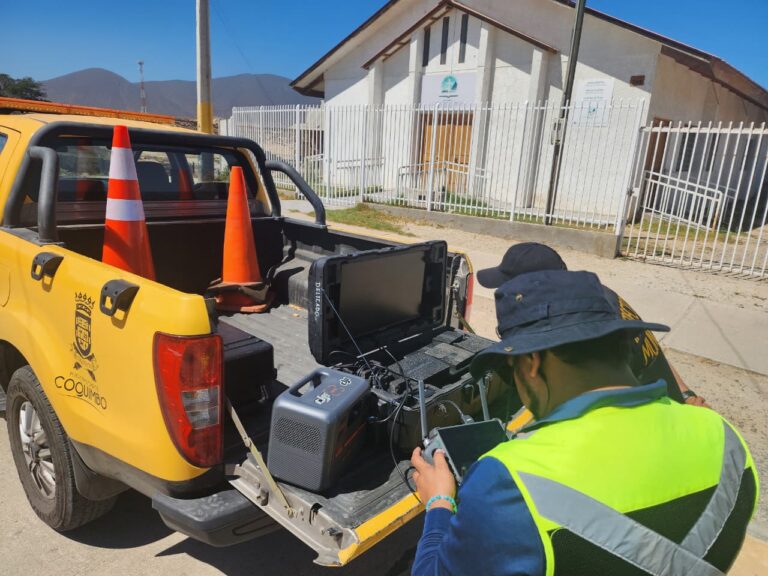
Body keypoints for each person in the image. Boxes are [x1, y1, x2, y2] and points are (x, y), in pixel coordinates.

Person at [410, 270, 758, 576]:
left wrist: (440, 503)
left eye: (510, 367)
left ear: (531, 363)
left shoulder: (507, 481)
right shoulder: (724, 436)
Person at [476, 242, 706, 406]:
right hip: (673, 409)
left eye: (507, 290)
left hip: (652, 418)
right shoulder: (599, 300)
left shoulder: (585, 334)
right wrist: (686, 394)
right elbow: (652, 348)